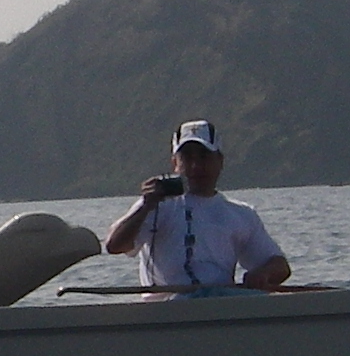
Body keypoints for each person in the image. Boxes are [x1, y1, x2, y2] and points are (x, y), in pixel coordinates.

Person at [103, 119, 291, 291]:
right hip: (166, 305)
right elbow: (114, 246)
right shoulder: (156, 205)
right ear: (175, 163)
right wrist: (145, 207)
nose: (195, 166)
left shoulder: (241, 214)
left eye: (204, 156)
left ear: (220, 161)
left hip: (219, 303)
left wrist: (263, 274)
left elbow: (280, 266)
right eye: (187, 158)